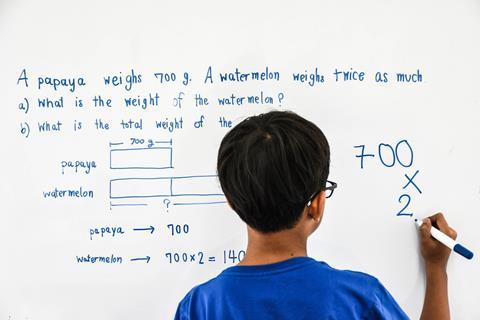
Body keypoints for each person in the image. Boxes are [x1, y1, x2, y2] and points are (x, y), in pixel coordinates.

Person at [174, 110, 455, 320]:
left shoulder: (199, 307)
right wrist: (436, 269)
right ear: (317, 204)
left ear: (232, 202)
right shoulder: (358, 299)